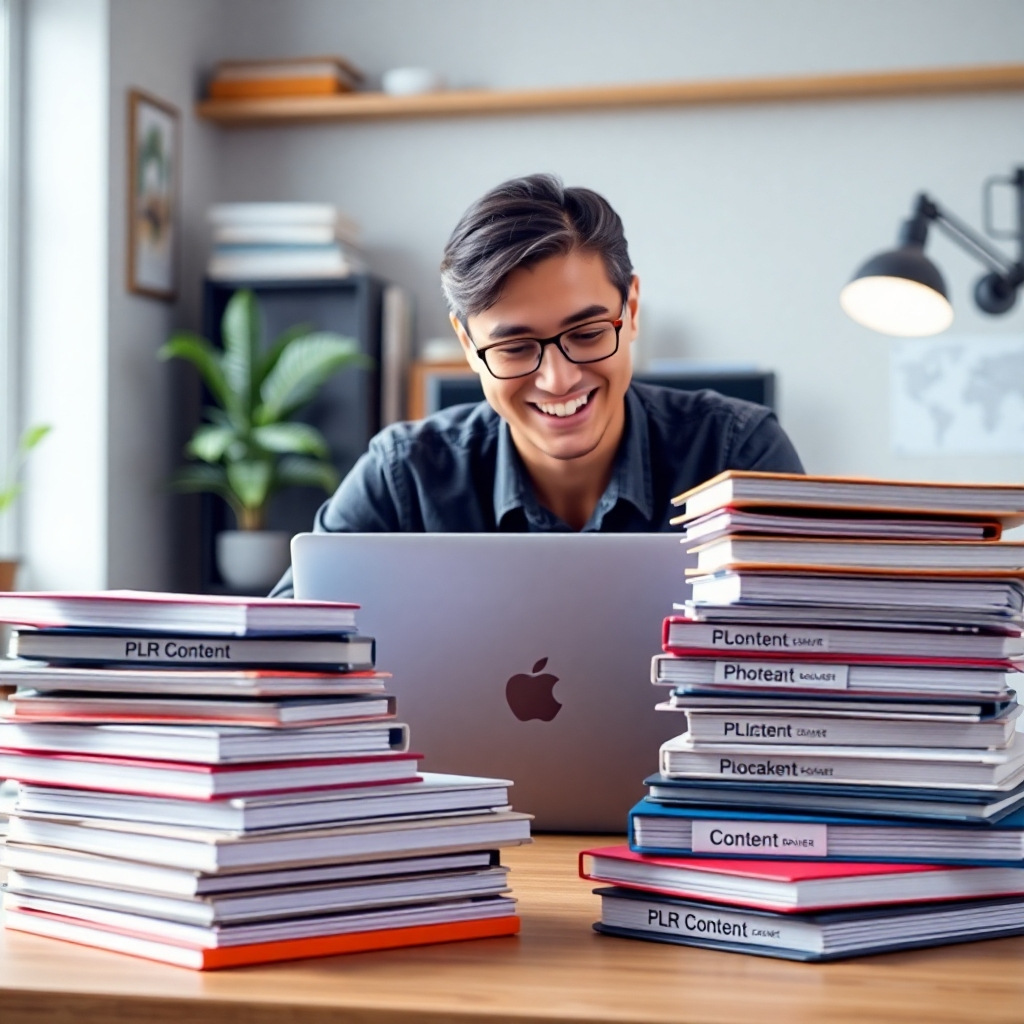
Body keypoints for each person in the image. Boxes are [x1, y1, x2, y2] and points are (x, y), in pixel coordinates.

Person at [270, 174, 802, 596]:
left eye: (589, 333)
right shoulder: (404, 477)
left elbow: (811, 656)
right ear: (467, 346)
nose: (558, 378)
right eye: (515, 348)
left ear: (631, 309)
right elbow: (285, 653)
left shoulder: (739, 453)